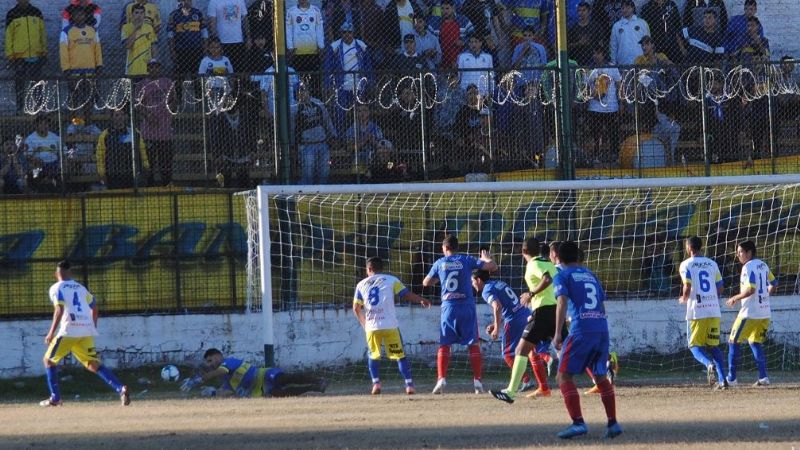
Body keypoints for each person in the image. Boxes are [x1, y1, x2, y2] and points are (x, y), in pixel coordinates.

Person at [551, 241, 621, 439]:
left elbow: (562, 301)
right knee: (600, 376)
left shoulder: (562, 276)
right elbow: (601, 304)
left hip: (581, 329)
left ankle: (578, 422)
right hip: (601, 327)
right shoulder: (590, 275)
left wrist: (558, 332)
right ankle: (613, 423)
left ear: (559, 258)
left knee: (563, 376)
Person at [40, 261, 130, 407]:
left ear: (56, 274)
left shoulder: (56, 288)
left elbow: (59, 310)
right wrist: (91, 326)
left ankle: (55, 398)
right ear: (71, 273)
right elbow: (94, 307)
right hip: (85, 330)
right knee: (92, 364)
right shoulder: (81, 288)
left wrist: (50, 333)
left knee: (49, 361)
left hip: (69, 330)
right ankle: (121, 388)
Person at [423, 234, 497, 394]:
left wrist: (440, 278)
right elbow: (492, 266)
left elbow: (426, 282)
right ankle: (477, 381)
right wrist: (486, 259)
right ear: (457, 248)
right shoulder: (466, 260)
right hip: (467, 307)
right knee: (473, 344)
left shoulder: (440, 263)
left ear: (444, 248)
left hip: (449, 309)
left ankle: (441, 378)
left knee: (445, 344)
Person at [489, 237, 557, 403]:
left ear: (523, 251)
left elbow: (547, 279)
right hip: (554, 310)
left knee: (520, 351)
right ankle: (544, 388)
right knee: (540, 350)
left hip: (543, 311)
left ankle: (511, 392)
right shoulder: (548, 262)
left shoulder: (533, 264)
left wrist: (531, 294)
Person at [353, 257, 431, 395]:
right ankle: (409, 385)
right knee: (400, 356)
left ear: (369, 269)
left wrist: (364, 324)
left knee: (373, 355)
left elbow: (356, 308)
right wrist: (421, 299)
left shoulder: (361, 284)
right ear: (381, 268)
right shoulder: (391, 280)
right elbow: (405, 295)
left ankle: (376, 383)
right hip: (389, 325)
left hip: (372, 327)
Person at [472, 269, 536, 393]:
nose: (472, 284)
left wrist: (496, 328)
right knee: (528, 349)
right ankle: (542, 380)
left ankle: (527, 380)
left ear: (479, 280)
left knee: (508, 354)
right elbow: (508, 306)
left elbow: (498, 306)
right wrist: (495, 323)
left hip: (514, 320)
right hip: (525, 314)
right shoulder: (498, 283)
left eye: (473, 281)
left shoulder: (486, 290)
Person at [678, 236, 728, 389]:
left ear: (689, 248)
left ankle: (708, 364)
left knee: (694, 346)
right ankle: (723, 380)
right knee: (713, 346)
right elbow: (720, 287)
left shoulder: (686, 264)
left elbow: (687, 285)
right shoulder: (712, 264)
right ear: (700, 247)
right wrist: (711, 297)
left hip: (696, 311)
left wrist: (684, 298)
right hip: (713, 309)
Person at [725, 240, 776, 387]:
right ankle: (763, 377)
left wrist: (735, 297)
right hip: (765, 313)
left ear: (749, 253)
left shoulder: (748, 267)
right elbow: (774, 283)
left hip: (749, 313)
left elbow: (751, 289)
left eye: (740, 251)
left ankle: (732, 379)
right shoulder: (763, 265)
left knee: (733, 341)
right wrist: (765, 296)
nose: (738, 254)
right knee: (755, 342)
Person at [180, 348, 327, 397]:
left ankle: (317, 380)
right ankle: (315, 388)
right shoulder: (226, 381)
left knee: (285, 379)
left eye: (210, 360)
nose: (210, 365)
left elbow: (216, 372)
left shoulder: (228, 362)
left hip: (264, 374)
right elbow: (225, 393)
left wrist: (197, 380)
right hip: (261, 391)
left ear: (218, 356)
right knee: (284, 393)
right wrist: (213, 393)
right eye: (208, 363)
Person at [135, 60, 176, 186]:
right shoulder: (142, 84)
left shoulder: (167, 83)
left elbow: (174, 100)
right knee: (149, 165)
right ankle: (149, 187)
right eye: (151, 67)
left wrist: (168, 109)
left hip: (165, 131)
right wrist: (147, 115)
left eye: (157, 67)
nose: (154, 70)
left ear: (160, 69)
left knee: (166, 164)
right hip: (149, 132)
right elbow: (137, 104)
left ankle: (167, 186)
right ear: (147, 69)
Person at [290, 83, 337, 184]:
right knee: (308, 174)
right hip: (306, 146)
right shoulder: (294, 108)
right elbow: (292, 128)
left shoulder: (318, 103)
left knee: (324, 173)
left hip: (322, 143)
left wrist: (333, 135)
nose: (302, 93)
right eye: (299, 91)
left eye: (304, 90)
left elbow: (327, 120)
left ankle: (322, 195)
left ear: (308, 91)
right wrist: (293, 144)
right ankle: (305, 193)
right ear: (296, 94)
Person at [5, 0, 47, 113]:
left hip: (36, 55)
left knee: (37, 83)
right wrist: (10, 56)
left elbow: (42, 32)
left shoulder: (36, 12)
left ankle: (39, 107)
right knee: (20, 83)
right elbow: (8, 36)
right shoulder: (12, 14)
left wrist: (44, 52)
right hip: (19, 56)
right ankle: (20, 109)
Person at [96, 108, 150, 189]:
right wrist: (102, 173)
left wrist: (146, 166)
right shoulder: (105, 135)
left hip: (132, 173)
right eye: (117, 115)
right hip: (113, 174)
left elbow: (142, 150)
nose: (120, 117)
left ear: (125, 117)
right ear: (112, 118)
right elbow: (100, 155)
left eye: (122, 115)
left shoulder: (134, 133)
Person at [167, 0, 208, 98]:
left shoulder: (198, 13)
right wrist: (172, 51)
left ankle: (199, 103)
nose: (187, 1)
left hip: (197, 51)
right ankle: (178, 102)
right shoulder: (174, 15)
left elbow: (204, 32)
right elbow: (170, 35)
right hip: (181, 52)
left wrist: (205, 49)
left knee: (197, 79)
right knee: (179, 79)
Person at [207, 0, 251, 72]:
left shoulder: (240, 1)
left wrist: (248, 37)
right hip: (221, 42)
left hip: (238, 40)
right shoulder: (214, 1)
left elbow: (245, 19)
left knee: (239, 69)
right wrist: (215, 41)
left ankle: (238, 83)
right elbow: (212, 22)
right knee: (224, 69)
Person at [24, 114, 61, 192]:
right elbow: (26, 155)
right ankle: (37, 190)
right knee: (34, 171)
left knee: (60, 170)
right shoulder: (30, 138)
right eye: (41, 123)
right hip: (38, 165)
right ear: (36, 125)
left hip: (53, 164)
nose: (45, 126)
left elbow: (63, 152)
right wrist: (35, 159)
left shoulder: (55, 137)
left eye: (46, 123)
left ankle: (58, 190)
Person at [286, 0, 325, 73]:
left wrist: (321, 46)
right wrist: (290, 47)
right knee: (298, 77)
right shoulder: (291, 11)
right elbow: (288, 30)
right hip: (297, 51)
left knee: (314, 78)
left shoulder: (316, 10)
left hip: (313, 51)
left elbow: (319, 29)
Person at [121, 3, 158, 78]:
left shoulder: (149, 27)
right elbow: (128, 46)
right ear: (132, 15)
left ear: (144, 15)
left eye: (141, 13)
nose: (139, 15)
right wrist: (135, 29)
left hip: (147, 68)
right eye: (136, 13)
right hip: (132, 69)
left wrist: (154, 61)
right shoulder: (126, 28)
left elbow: (153, 45)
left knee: (146, 89)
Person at [609, 0, 650, 66]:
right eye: (623, 8)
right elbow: (613, 45)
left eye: (627, 7)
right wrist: (613, 62)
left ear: (633, 8)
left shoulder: (642, 23)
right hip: (623, 62)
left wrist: (648, 58)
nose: (625, 10)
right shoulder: (616, 26)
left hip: (641, 62)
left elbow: (648, 42)